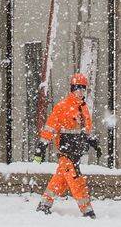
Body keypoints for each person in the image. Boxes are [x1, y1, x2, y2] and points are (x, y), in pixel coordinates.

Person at [37, 72, 96, 217]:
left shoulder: (84, 108)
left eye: (83, 88)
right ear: (72, 89)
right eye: (78, 88)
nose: (81, 91)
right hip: (66, 151)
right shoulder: (62, 106)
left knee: (60, 180)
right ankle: (87, 210)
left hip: (77, 152)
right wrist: (41, 146)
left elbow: (86, 129)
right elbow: (50, 127)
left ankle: (44, 204)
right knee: (77, 181)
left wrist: (93, 141)